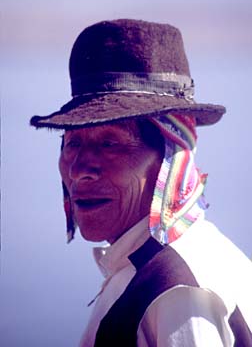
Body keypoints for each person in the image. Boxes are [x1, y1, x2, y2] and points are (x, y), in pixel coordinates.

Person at [30, 19, 252, 346]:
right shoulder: (156, 264)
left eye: (110, 144)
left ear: (169, 157)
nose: (79, 170)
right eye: (73, 143)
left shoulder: (178, 294)